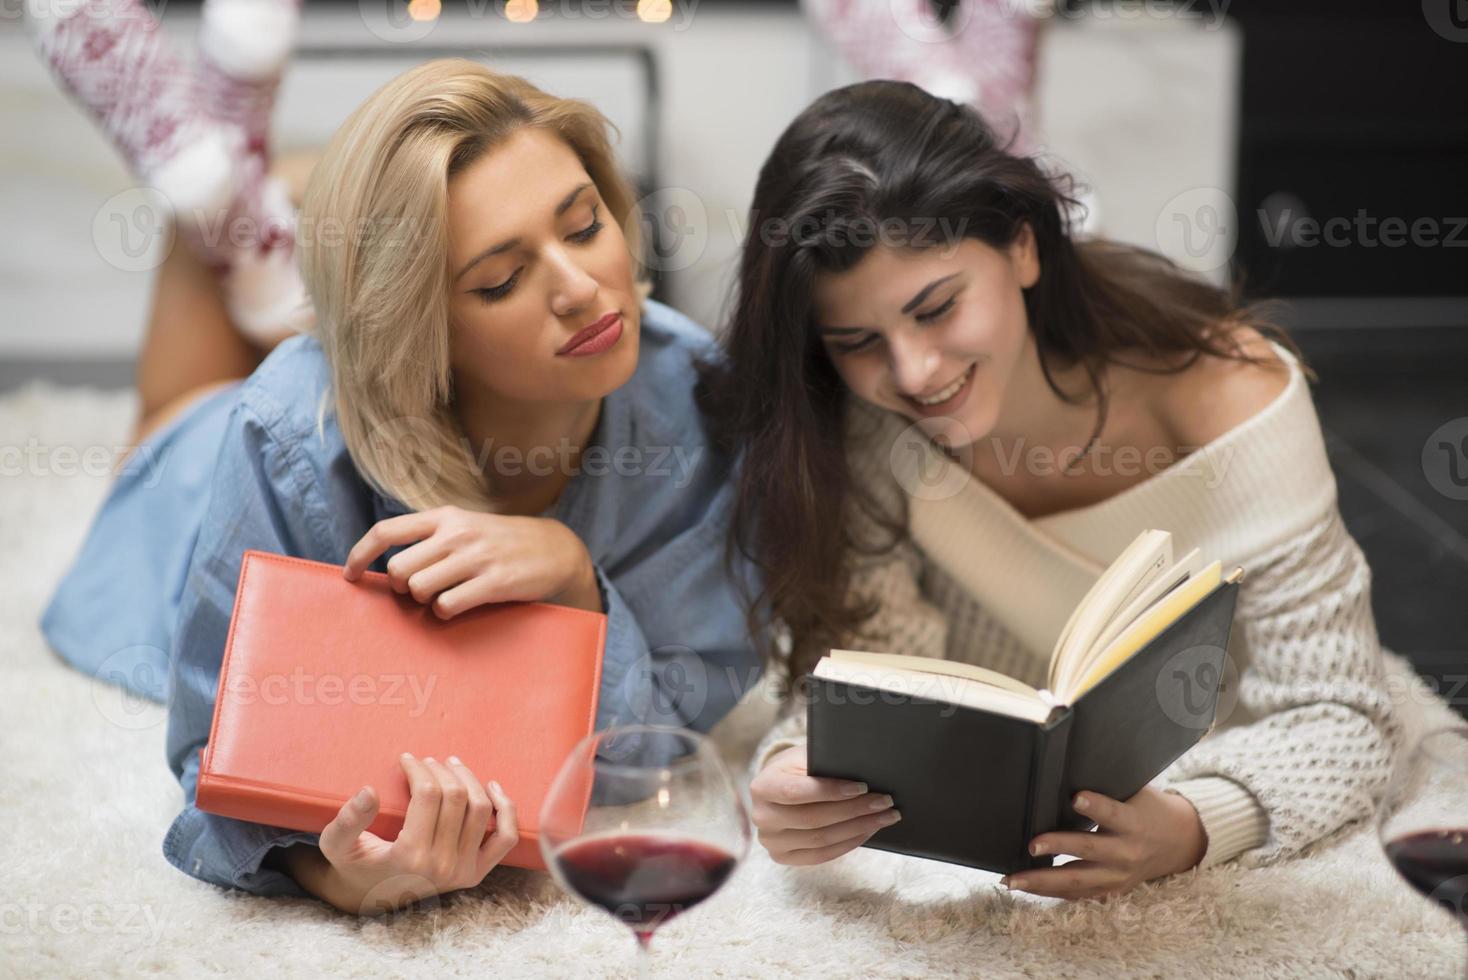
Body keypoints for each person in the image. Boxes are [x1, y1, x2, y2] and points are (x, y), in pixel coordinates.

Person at [33, 0, 761, 915]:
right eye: (500, 280)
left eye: (583, 226)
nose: (583, 289)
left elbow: (665, 743)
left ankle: (239, 177)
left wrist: (574, 581)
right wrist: (327, 875)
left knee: (274, 299)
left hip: (356, 359)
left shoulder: (703, 406)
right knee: (170, 423)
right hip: (194, 480)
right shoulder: (288, 429)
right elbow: (214, 758)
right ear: (425, 327)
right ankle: (224, 181)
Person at [697, 80, 1402, 900]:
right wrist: (795, 770)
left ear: (1023, 249)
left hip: (1217, 748)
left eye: (937, 307)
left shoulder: (1230, 400)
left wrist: (1196, 823)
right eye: (858, 341)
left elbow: (1345, 718)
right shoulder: (862, 424)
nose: (914, 373)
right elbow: (868, 669)